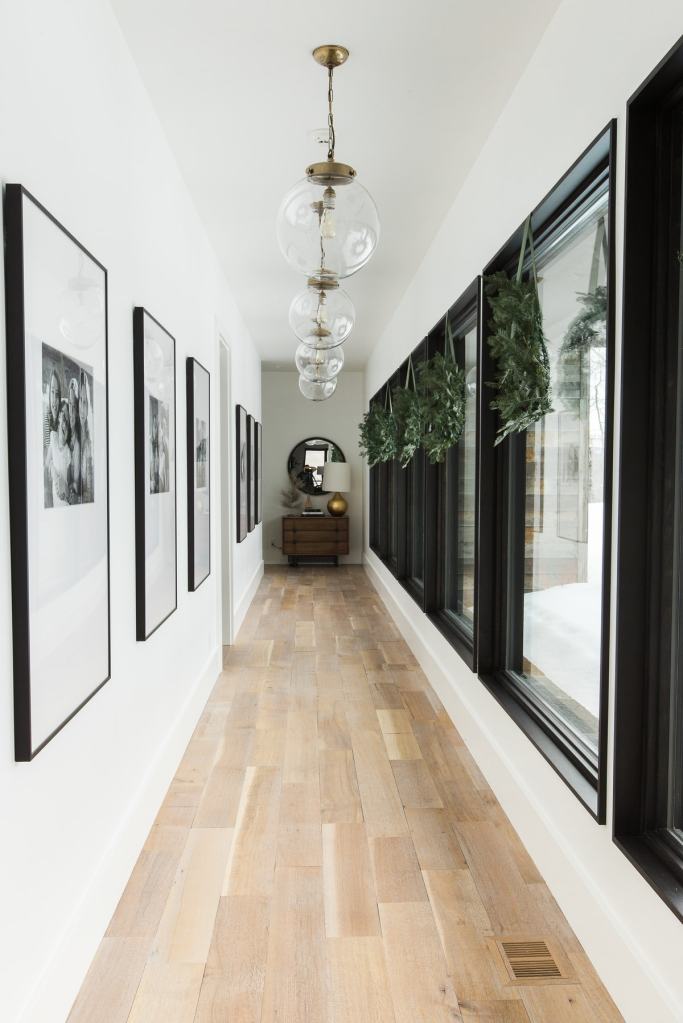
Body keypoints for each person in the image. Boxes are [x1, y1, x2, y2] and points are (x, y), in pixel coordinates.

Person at [45, 400, 72, 507]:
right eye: (61, 417)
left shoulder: (68, 451)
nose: (63, 423)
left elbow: (68, 485)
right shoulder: (53, 436)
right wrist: (52, 470)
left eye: (66, 419)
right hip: (55, 502)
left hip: (64, 501)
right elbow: (47, 464)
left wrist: (64, 488)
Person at [79, 370, 94, 503]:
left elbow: (89, 488)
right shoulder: (76, 433)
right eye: (80, 401)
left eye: (85, 402)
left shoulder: (89, 441)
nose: (82, 408)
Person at [67, 377, 81, 503]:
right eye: (69, 405)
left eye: (74, 406)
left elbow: (76, 482)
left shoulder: (77, 441)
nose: (71, 410)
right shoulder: (65, 431)